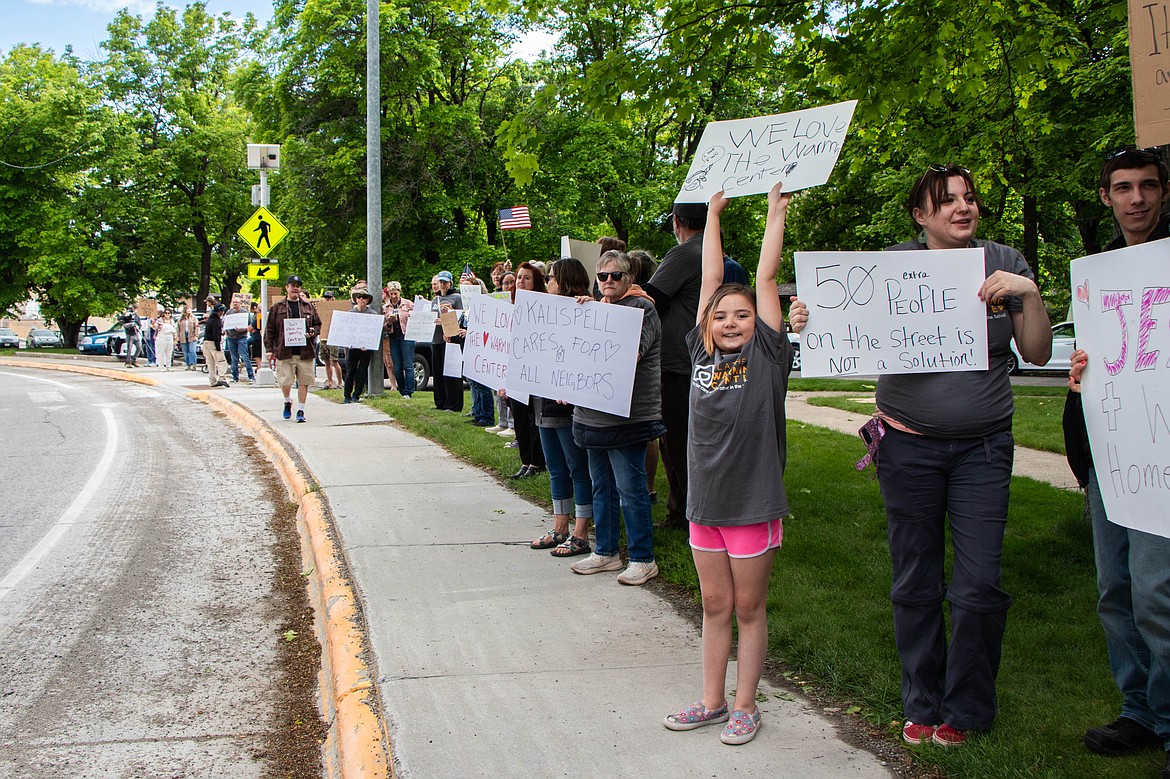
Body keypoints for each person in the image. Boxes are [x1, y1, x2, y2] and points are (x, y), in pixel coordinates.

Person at [816, 164, 1051, 748]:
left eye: (968, 198)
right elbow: (842, 331)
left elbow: (1039, 353)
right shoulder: (890, 269)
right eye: (946, 202)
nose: (961, 209)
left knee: (978, 586)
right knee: (915, 579)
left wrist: (1029, 294)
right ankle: (921, 701)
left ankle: (966, 709)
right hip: (906, 449)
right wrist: (809, 319)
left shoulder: (1006, 262)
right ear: (921, 217)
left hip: (984, 451)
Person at [663, 183, 799, 745]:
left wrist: (775, 213)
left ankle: (747, 704)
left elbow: (762, 279)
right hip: (706, 506)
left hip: (752, 505)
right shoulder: (699, 351)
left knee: (748, 607)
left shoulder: (767, 356)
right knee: (714, 605)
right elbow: (710, 281)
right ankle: (712, 701)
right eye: (723, 317)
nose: (731, 322)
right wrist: (713, 215)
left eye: (742, 317)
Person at [1064, 148, 1170, 772]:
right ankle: (1139, 712)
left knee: (1158, 592)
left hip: (1158, 451)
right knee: (1116, 589)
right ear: (1107, 196)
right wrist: (1080, 380)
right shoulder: (1098, 271)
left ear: (1162, 193)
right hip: (1110, 448)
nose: (1136, 199)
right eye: (1124, 188)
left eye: (1148, 187)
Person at [569, 250, 665, 586]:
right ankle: (607, 551)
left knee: (631, 488)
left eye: (616, 276)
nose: (608, 281)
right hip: (592, 415)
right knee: (601, 487)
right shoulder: (592, 309)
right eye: (602, 276)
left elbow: (627, 355)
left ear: (629, 279)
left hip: (629, 418)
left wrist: (599, 313)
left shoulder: (642, 309)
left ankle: (642, 557)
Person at [645, 202, 707, 531]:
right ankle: (690, 510)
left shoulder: (684, 253)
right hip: (698, 361)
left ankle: (682, 514)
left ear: (676, 221)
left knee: (675, 441)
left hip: (678, 365)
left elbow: (648, 296)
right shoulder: (714, 252)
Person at [529, 258, 594, 557]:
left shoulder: (583, 312)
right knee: (556, 469)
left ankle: (581, 533)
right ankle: (560, 527)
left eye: (552, 277)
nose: (548, 282)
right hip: (543, 403)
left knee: (577, 468)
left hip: (568, 408)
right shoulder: (543, 311)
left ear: (565, 281)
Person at [501, 263, 546, 477]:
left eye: (527, 278)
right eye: (519, 277)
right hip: (514, 372)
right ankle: (525, 461)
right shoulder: (507, 308)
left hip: (536, 372)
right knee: (519, 417)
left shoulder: (546, 306)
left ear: (536, 281)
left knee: (534, 419)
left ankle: (537, 462)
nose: (521, 281)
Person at [265, 275, 323, 423]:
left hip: (305, 352)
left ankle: (301, 410)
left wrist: (313, 332)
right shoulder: (277, 308)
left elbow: (317, 324)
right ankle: (287, 401)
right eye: (292, 285)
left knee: (304, 381)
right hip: (284, 352)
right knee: (285, 382)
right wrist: (269, 349)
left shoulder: (308, 307)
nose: (295, 288)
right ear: (287, 288)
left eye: (298, 285)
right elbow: (269, 329)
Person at [430, 270, 465, 412]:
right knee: (438, 372)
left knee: (452, 372)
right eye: (440, 282)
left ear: (450, 282)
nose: (443, 285)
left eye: (445, 282)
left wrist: (446, 319)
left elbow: (462, 317)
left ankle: (453, 404)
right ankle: (440, 402)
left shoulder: (456, 298)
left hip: (451, 339)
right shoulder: (435, 300)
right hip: (436, 339)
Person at [343, 289, 381, 403]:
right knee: (350, 371)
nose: (361, 299)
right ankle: (347, 396)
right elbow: (345, 331)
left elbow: (375, 332)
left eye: (364, 297)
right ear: (356, 299)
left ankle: (357, 395)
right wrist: (348, 343)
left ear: (368, 300)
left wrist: (369, 344)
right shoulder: (350, 314)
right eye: (359, 297)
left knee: (362, 371)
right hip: (352, 348)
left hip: (366, 348)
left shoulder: (373, 314)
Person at [384, 282, 416, 399]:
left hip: (407, 336)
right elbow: (384, 328)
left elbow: (418, 317)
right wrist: (389, 322)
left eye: (395, 293)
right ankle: (402, 390)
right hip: (393, 337)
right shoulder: (386, 307)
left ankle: (409, 391)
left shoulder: (408, 304)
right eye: (391, 293)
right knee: (396, 367)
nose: (393, 296)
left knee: (408, 365)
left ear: (400, 292)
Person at [224, 297, 255, 384]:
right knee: (234, 358)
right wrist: (226, 332)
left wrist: (243, 330)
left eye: (237, 302)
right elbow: (225, 323)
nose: (235, 304)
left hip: (241, 337)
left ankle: (251, 376)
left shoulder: (245, 313)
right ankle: (235, 377)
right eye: (233, 302)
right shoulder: (229, 312)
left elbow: (250, 325)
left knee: (245, 357)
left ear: (240, 303)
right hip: (231, 337)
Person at [320, 290, 343, 390]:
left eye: (329, 297)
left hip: (334, 337)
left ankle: (340, 382)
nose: (327, 299)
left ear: (333, 298)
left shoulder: (336, 308)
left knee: (334, 360)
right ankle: (329, 380)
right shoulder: (322, 309)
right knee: (326, 361)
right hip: (323, 338)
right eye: (326, 298)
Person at [202, 304, 229, 388]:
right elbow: (216, 335)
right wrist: (218, 347)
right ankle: (222, 378)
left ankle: (213, 380)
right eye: (222, 311)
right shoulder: (216, 321)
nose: (223, 312)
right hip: (213, 342)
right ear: (219, 311)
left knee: (211, 363)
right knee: (221, 361)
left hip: (206, 342)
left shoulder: (210, 319)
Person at [248, 302, 263, 372]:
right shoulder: (268, 317)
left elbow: (249, 328)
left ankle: (259, 367)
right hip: (264, 338)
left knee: (257, 355)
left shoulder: (258, 318)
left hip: (257, 338)